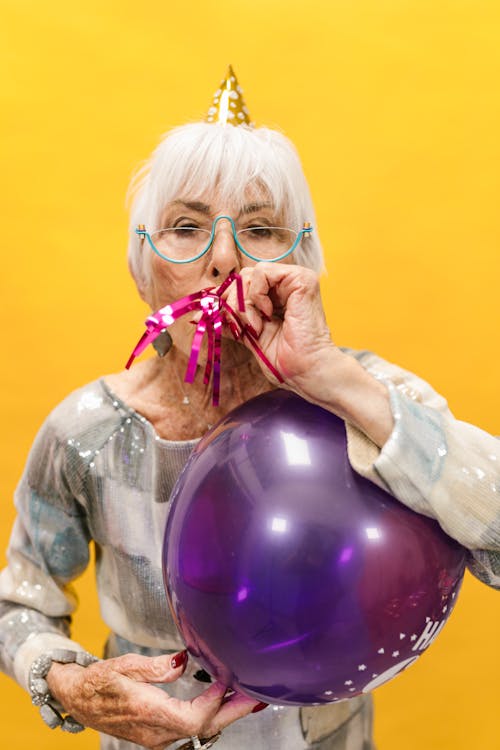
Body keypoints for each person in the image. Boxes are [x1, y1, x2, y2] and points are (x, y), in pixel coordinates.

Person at [0, 68, 498, 750]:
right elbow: (19, 601)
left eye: (260, 229)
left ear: (304, 260)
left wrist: (332, 380)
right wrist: (70, 684)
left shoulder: (371, 400)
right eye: (184, 228)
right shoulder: (84, 431)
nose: (225, 259)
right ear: (144, 264)